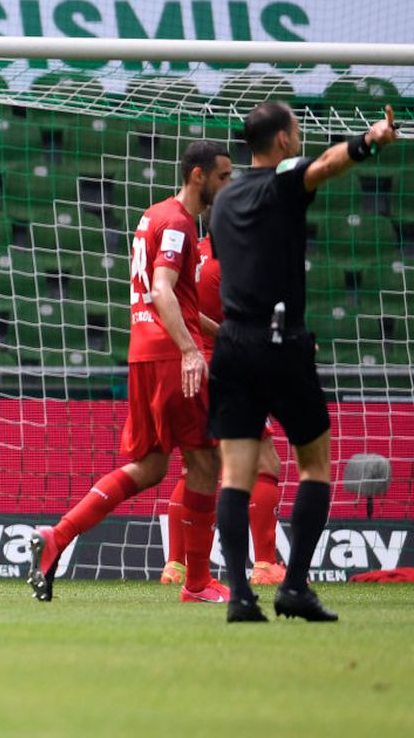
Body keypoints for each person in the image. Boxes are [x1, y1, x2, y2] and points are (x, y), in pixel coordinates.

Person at [210, 102, 398, 622]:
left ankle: (240, 598)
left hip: (231, 343)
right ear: (285, 143)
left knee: (235, 476)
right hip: (279, 340)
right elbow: (323, 168)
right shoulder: (283, 181)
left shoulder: (222, 202)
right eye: (297, 132)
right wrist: (370, 140)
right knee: (314, 464)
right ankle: (293, 587)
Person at [28, 140, 233, 604]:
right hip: (168, 354)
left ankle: (57, 536)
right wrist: (190, 350)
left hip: (143, 351)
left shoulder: (152, 215)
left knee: (151, 466)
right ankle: (197, 583)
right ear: (197, 176)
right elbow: (163, 292)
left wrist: (220, 335)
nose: (229, 184)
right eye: (223, 176)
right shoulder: (180, 223)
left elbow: (173, 298)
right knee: (205, 461)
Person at [160, 233, 288, 587]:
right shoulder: (241, 256)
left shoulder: (189, 253)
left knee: (195, 467)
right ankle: (264, 564)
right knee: (264, 462)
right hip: (232, 369)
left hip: (192, 367)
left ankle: (175, 565)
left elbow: (174, 303)